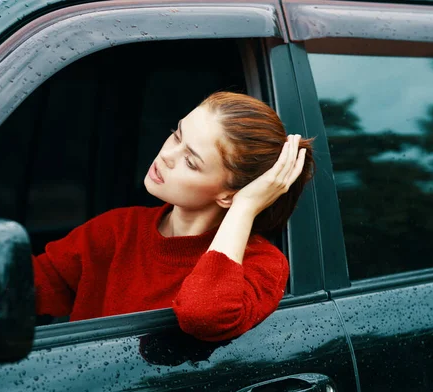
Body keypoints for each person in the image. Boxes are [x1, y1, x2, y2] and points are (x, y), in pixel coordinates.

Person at [33, 92, 314, 342]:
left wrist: (245, 207)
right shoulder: (118, 228)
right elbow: (28, 287)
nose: (167, 154)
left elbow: (203, 314)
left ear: (229, 195)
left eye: (191, 162)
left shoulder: (262, 264)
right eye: (176, 135)